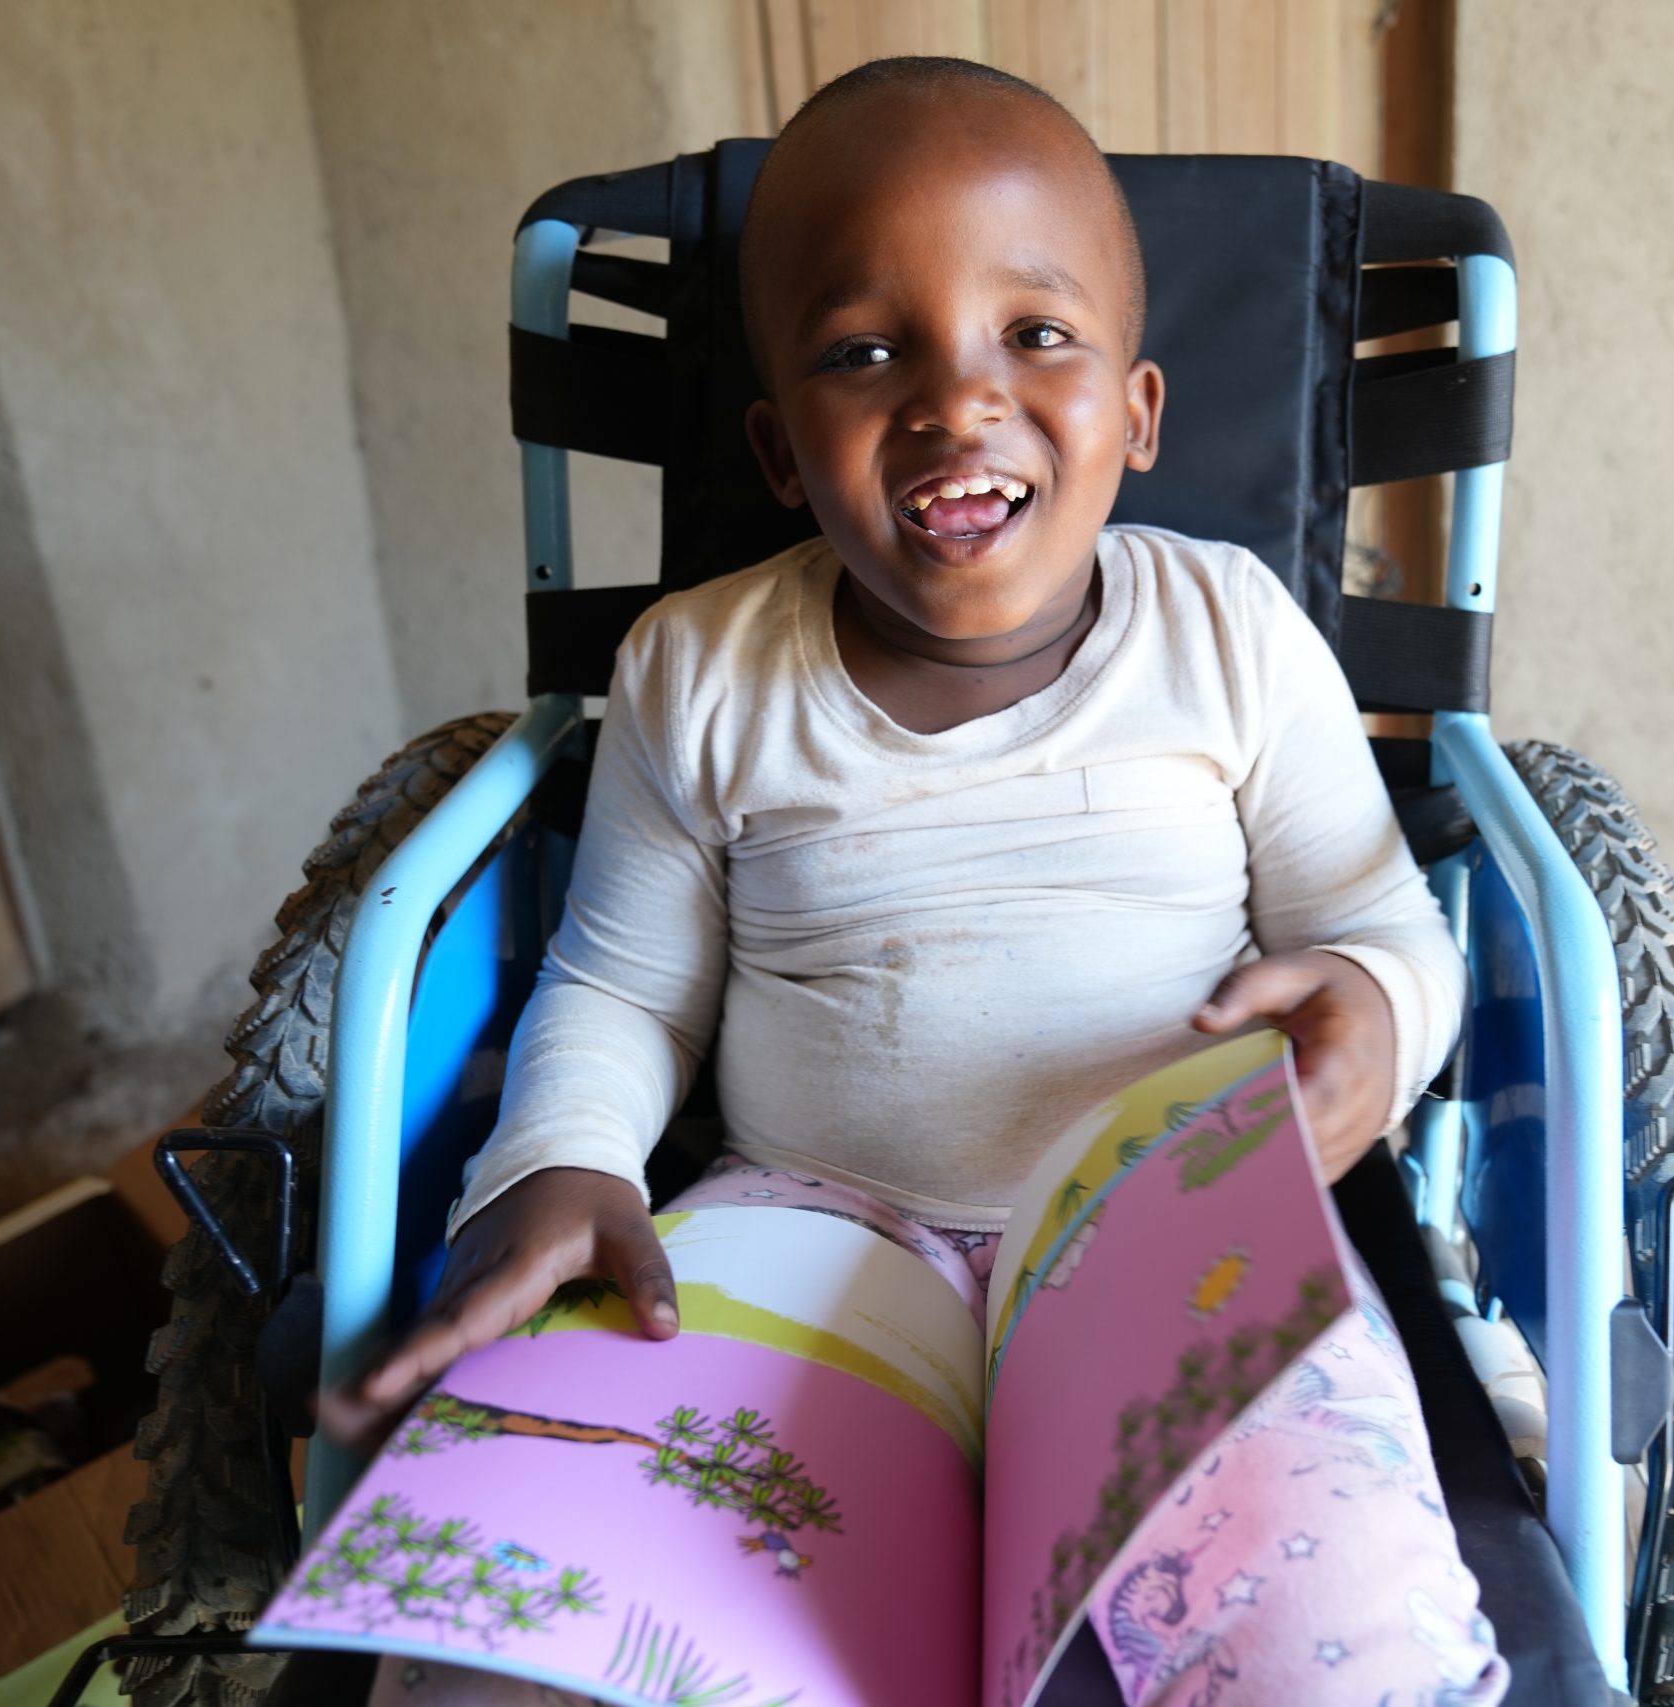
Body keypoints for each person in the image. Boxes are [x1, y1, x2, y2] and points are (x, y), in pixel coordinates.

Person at [326, 55, 1506, 1706]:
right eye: (867, 351)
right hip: (809, 1223)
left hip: (1174, 1235)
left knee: (1349, 1624)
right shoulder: (701, 666)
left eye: (1035, 334)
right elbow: (624, 987)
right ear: (781, 449)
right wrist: (562, 1156)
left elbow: (1372, 920)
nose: (958, 401)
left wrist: (1377, 1012)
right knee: (521, 1631)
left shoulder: (1230, 630)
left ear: (1141, 411)